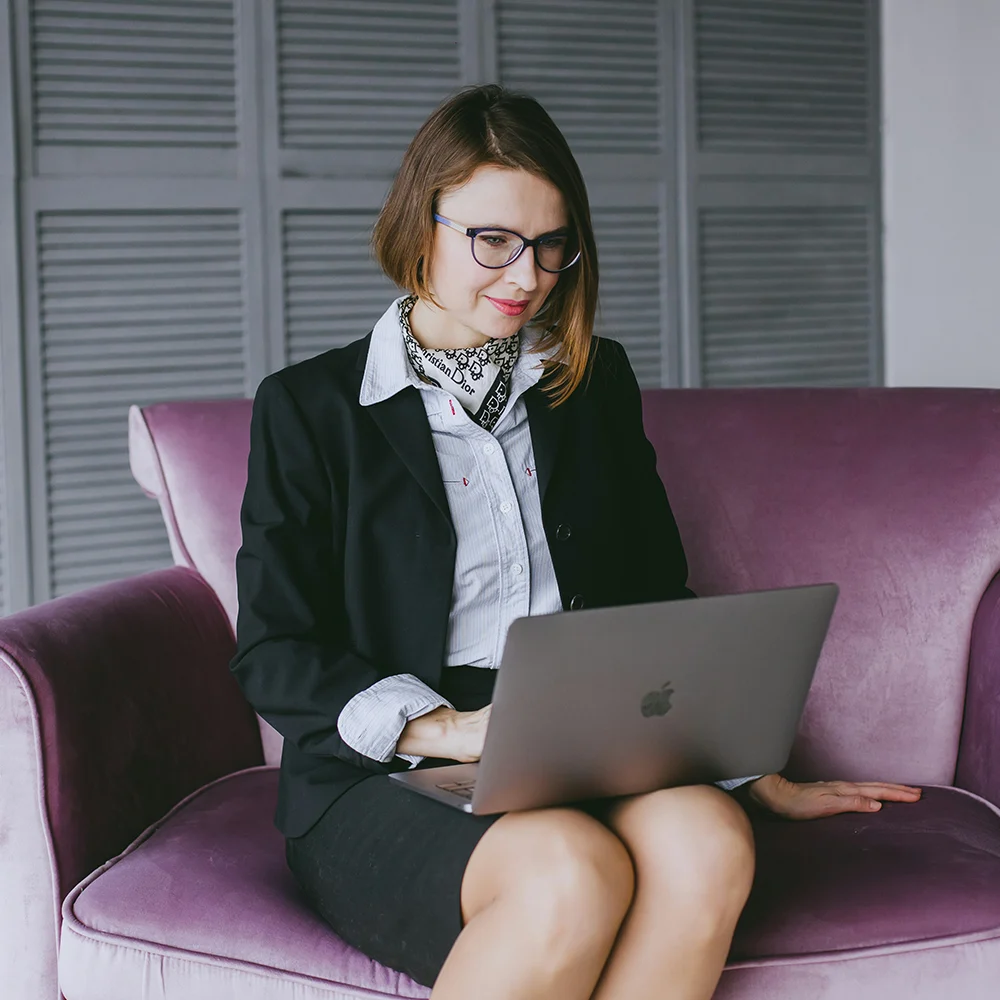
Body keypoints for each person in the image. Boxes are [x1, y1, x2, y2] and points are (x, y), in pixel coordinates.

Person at [230, 84, 923, 1000]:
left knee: (711, 844)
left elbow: (650, 598)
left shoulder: (592, 386)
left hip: (588, 736)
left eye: (552, 246)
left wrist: (752, 768)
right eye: (493, 242)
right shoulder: (310, 408)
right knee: (569, 875)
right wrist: (442, 728)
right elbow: (274, 648)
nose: (526, 277)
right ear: (419, 224)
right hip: (391, 766)